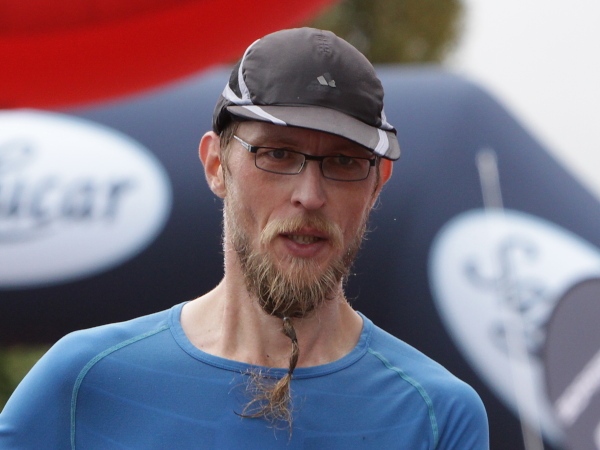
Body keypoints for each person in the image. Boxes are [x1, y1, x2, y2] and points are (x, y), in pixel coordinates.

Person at [0, 28, 489, 448]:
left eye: (343, 162)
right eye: (277, 154)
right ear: (216, 165)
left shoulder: (437, 416)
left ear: (377, 184)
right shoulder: (84, 382)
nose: (309, 195)